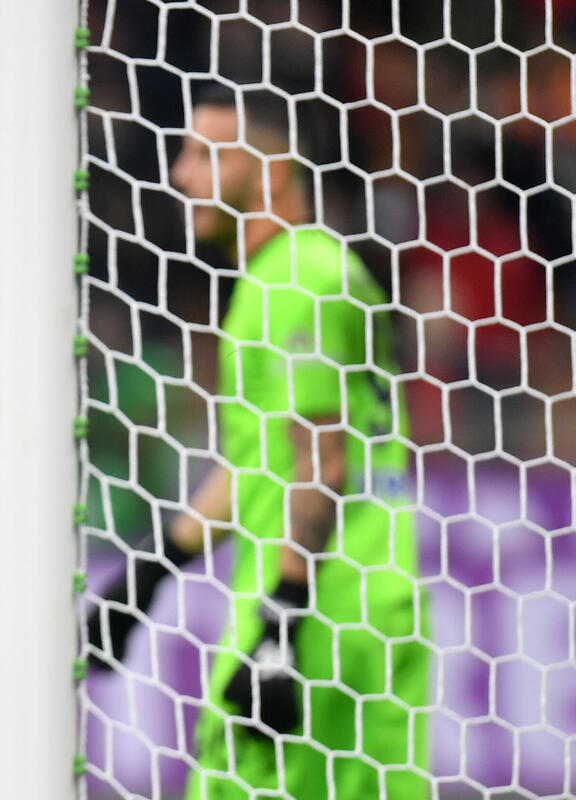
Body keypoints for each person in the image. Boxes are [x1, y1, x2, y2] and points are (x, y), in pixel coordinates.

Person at [87, 88, 430, 798]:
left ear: (270, 173)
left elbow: (321, 459)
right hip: (363, 602)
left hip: (313, 613)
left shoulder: (294, 283)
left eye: (204, 155)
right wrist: (156, 568)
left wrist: (281, 620)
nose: (180, 174)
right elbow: (265, 463)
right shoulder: (304, 272)